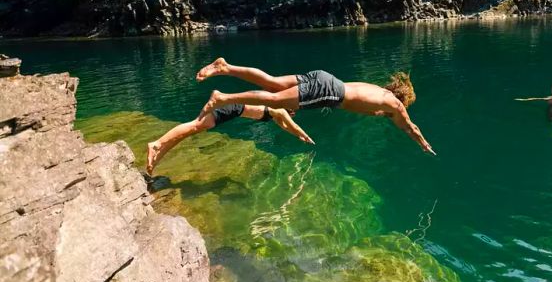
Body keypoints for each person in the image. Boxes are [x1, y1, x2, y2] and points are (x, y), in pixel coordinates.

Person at [195, 58, 436, 155]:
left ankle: (225, 67)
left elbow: (341, 90)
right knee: (274, 100)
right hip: (328, 92)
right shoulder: (394, 104)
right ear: (402, 99)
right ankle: (223, 98)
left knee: (272, 82)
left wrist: (307, 101)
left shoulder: (376, 89)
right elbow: (409, 127)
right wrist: (424, 144)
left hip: (324, 79)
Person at [146, 104, 314, 175]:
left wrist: (300, 137)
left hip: (231, 110)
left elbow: (286, 127)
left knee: (189, 132)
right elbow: (293, 126)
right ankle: (157, 144)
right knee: (194, 126)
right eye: (294, 112)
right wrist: (305, 136)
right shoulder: (281, 111)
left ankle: (155, 160)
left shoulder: (277, 113)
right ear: (290, 109)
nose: (293, 114)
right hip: (231, 110)